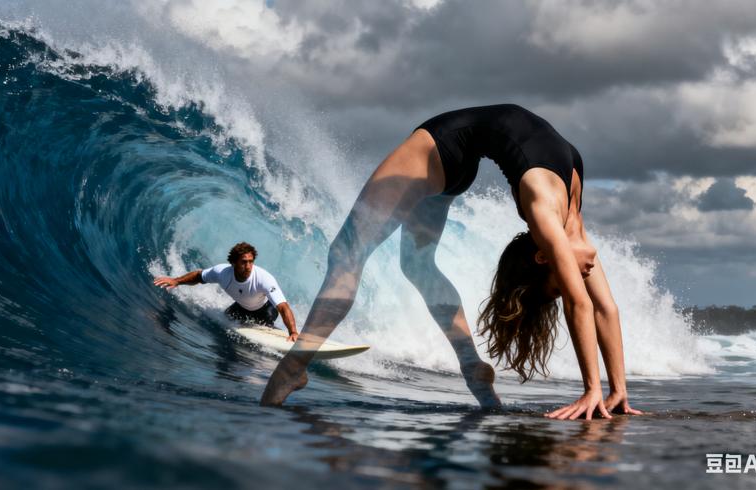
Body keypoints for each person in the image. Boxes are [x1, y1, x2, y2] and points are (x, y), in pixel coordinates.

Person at [261, 104, 642, 420]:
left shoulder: (564, 224)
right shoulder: (550, 215)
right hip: (449, 153)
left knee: (347, 253)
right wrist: (592, 388)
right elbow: (584, 304)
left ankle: (292, 370)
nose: (576, 279)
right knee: (413, 265)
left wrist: (615, 392)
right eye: (562, 280)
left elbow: (603, 308)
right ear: (545, 255)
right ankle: (472, 367)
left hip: (441, 147)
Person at [153, 242, 299, 341]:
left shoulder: (264, 279)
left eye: (251, 261)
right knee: (225, 319)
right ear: (234, 262)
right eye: (243, 262)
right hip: (241, 307)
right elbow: (199, 276)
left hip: (265, 310)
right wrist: (176, 281)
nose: (248, 266)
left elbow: (283, 307)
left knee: (263, 325)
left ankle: (281, 335)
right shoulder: (222, 272)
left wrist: (292, 331)